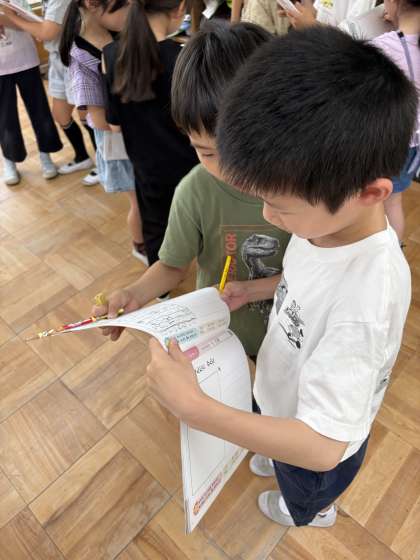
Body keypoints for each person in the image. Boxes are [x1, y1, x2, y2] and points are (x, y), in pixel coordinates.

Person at [145, 26, 414, 528]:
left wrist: (197, 409)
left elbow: (323, 446)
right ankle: (274, 449)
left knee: (303, 486)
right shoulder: (323, 227)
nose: (268, 217)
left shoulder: (367, 300)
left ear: (370, 193)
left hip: (315, 448)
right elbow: (301, 283)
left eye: (280, 206)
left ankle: (312, 511)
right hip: (282, 396)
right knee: (277, 441)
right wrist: (255, 289)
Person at [94, 20, 290, 358]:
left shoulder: (302, 189)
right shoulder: (195, 192)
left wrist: (252, 289)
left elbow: (317, 273)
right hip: (222, 339)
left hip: (289, 338)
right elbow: (172, 266)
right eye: (207, 153)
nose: (229, 170)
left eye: (243, 150)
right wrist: (135, 293)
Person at [102, 0, 198, 267]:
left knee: (155, 227)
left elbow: (114, 125)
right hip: (189, 164)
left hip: (145, 165)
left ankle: (162, 281)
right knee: (199, 220)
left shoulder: (110, 54)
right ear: (179, 8)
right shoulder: (183, 58)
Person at [59, 0, 146, 262]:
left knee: (150, 195)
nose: (131, 10)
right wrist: (127, 126)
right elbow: (96, 118)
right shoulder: (81, 56)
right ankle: (141, 246)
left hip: (138, 131)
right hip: (118, 140)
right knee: (139, 201)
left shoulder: (116, 31)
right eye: (125, 5)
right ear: (93, 4)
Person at [3, 0, 99, 185]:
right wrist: (38, 29)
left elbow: (46, 31)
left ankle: (104, 165)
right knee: (60, 114)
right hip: (57, 58)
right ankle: (82, 157)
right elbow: (45, 28)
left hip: (73, 57)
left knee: (86, 114)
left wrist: (13, 18)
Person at [371, 0, 420, 243]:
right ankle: (394, 253)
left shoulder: (381, 48)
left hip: (387, 143)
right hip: (413, 147)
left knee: (372, 202)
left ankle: (377, 251)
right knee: (394, 200)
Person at [0, 0, 62, 185]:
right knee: (5, 118)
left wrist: (7, 17)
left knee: (39, 112)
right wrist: (9, 17)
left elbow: (33, 23)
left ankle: (45, 154)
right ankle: (9, 160)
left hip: (25, 59)